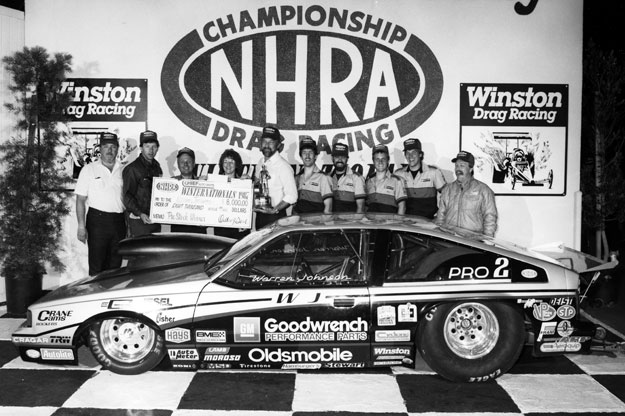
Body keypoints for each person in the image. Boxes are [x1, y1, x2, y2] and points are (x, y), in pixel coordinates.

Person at [75, 132, 126, 275]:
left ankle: (110, 296)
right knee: (97, 266)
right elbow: (80, 200)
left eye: (113, 147)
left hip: (118, 221)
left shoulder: (124, 169)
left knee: (115, 266)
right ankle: (95, 295)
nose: (109, 150)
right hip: (97, 221)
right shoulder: (88, 169)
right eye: (106, 146)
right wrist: (81, 226)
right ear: (100, 149)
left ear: (117, 149)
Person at [435, 150, 498, 236]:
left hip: (472, 242)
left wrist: (488, 240)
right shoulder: (447, 189)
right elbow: (441, 215)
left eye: (462, 166)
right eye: (456, 166)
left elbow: (490, 217)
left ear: (471, 168)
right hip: (449, 240)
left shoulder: (483, 190)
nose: (458, 169)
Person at [254, 126, 298, 229]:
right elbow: (257, 185)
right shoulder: (260, 163)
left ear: (278, 145)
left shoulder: (284, 167)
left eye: (271, 142)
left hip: (275, 217)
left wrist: (274, 210)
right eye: (264, 141)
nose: (267, 145)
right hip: (260, 214)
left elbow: (292, 196)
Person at [122, 130, 163, 237]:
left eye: (154, 146)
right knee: (139, 253)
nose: (151, 150)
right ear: (141, 148)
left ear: (157, 148)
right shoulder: (132, 169)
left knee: (154, 252)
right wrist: (140, 213)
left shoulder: (157, 167)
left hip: (154, 221)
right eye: (147, 146)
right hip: (139, 222)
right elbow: (127, 197)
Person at [393, 138, 446, 218]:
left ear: (420, 154)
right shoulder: (398, 174)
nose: (410, 156)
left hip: (428, 222)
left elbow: (446, 195)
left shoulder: (433, 172)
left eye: (414, 152)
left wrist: (440, 215)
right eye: (407, 153)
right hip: (406, 223)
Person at [214, 148, 250, 239]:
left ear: (237, 165)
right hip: (220, 228)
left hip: (239, 228)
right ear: (221, 164)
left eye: (232, 162)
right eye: (225, 162)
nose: (228, 165)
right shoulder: (214, 182)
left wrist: (248, 185)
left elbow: (249, 206)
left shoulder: (243, 182)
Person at [170, 147, 206, 234]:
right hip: (178, 232)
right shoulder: (170, 183)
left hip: (199, 232)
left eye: (188, 161)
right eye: (182, 162)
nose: (185, 164)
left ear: (194, 164)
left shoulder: (204, 184)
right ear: (178, 165)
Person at [294, 138, 333, 214]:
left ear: (315, 156)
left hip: (316, 224)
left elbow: (328, 208)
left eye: (310, 152)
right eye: (304, 152)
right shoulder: (297, 178)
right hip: (299, 223)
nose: (307, 156)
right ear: (301, 156)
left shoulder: (324, 178)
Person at [365, 144, 407, 214]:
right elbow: (366, 207)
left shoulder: (397, 181)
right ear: (373, 161)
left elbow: (402, 206)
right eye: (377, 159)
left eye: (383, 159)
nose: (380, 162)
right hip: (371, 224)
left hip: (389, 224)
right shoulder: (368, 182)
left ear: (388, 160)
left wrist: (397, 224)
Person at [330, 142, 365, 213]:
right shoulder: (327, 178)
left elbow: (360, 208)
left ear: (347, 159)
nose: (340, 159)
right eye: (337, 156)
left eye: (343, 156)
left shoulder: (357, 178)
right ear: (332, 158)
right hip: (331, 222)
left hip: (350, 223)